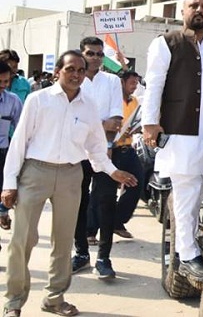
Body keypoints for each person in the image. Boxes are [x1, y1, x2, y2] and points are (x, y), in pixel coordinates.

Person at [2, 50, 137, 317]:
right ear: (57, 72)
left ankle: (54, 299)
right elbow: (20, 142)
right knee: (22, 240)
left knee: (63, 242)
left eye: (80, 70)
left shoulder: (88, 106)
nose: (76, 74)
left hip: (71, 175)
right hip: (35, 172)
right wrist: (9, 183)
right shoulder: (38, 100)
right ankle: (14, 302)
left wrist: (112, 171)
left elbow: (96, 148)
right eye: (70, 69)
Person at [141, 0, 203, 283]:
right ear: (183, 11)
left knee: (197, 194)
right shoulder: (167, 43)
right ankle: (187, 255)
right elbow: (154, 84)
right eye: (194, 6)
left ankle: (191, 249)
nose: (199, 10)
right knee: (185, 194)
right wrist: (149, 124)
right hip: (180, 132)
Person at [71, 37, 124, 280]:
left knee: (105, 204)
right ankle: (81, 253)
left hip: (104, 152)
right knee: (78, 204)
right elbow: (71, 121)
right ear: (82, 55)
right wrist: (98, 125)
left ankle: (104, 258)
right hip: (75, 153)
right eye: (90, 53)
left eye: (99, 54)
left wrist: (107, 141)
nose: (95, 58)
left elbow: (115, 120)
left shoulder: (112, 81)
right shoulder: (74, 83)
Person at [91, 71, 145, 241]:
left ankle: (117, 221)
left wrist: (136, 128)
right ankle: (90, 230)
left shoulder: (135, 101)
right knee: (101, 191)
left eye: (137, 83)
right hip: (110, 149)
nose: (135, 87)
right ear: (121, 82)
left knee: (137, 181)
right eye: (132, 83)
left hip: (127, 147)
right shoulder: (112, 101)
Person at [0, 62, 23, 234]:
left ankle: (2, 212)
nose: (3, 85)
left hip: (3, 153)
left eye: (6, 82)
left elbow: (22, 129)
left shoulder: (13, 100)